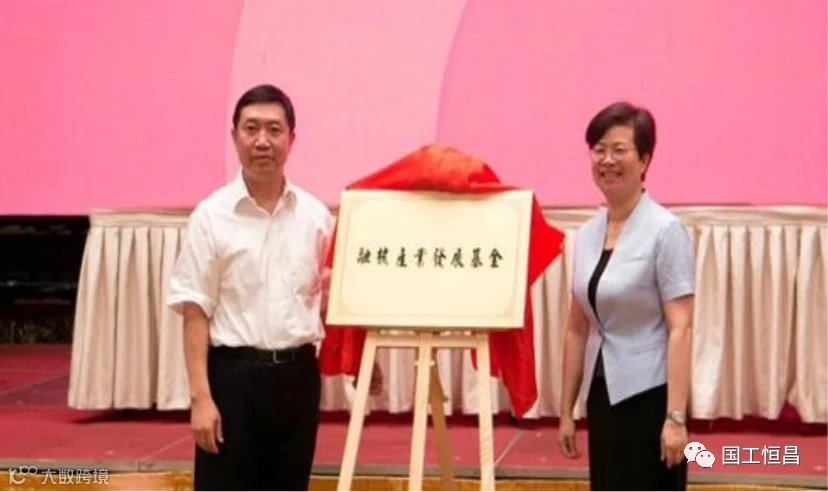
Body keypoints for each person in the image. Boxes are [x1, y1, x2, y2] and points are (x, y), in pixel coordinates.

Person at [167, 84, 378, 491]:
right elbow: (194, 311)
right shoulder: (211, 216)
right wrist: (200, 399)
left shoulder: (315, 217)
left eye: (274, 130)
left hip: (298, 378)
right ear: (234, 137)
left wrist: (365, 352)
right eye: (251, 129)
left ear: (291, 139)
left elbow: (329, 299)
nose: (262, 141)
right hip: (233, 380)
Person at [556, 101, 695, 491]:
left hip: (651, 397)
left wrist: (676, 417)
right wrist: (566, 411)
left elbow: (681, 328)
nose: (607, 160)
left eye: (619, 150)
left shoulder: (665, 230)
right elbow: (576, 329)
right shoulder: (586, 235)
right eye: (599, 150)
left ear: (644, 159)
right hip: (602, 394)